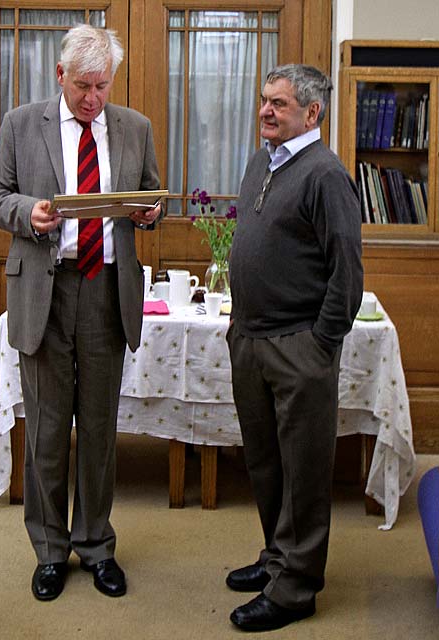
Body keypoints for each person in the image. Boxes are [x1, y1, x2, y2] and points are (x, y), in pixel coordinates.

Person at [0, 25, 162, 602]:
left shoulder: (135, 128)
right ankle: (50, 551)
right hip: (47, 290)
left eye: (102, 86)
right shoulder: (20, 124)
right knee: (47, 430)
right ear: (60, 76)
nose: (93, 98)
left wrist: (146, 214)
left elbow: (151, 198)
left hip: (108, 290)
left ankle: (97, 545)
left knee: (100, 430)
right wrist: (26, 213)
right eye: (83, 86)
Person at [226, 64, 363, 632]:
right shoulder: (266, 158)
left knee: (304, 471)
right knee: (265, 463)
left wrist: (319, 345)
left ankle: (298, 588)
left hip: (298, 346)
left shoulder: (326, 175)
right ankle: (278, 558)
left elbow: (347, 275)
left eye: (279, 104)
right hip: (251, 339)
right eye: (264, 100)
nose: (265, 111)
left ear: (313, 113)